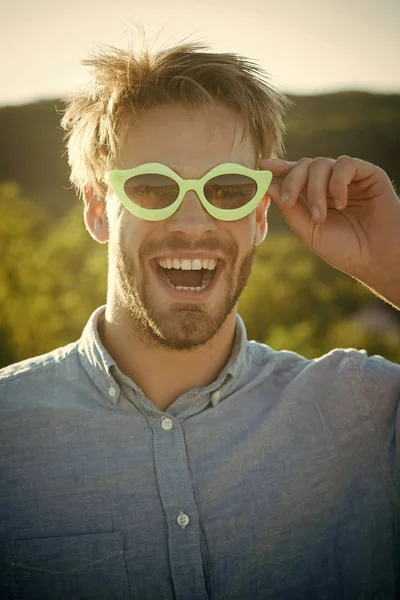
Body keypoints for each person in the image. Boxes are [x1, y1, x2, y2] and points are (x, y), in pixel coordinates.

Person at [1, 36, 399, 600]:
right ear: (97, 208)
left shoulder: (365, 409)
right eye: (153, 187)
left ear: (261, 214)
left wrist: (392, 262)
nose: (192, 221)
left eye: (228, 189)